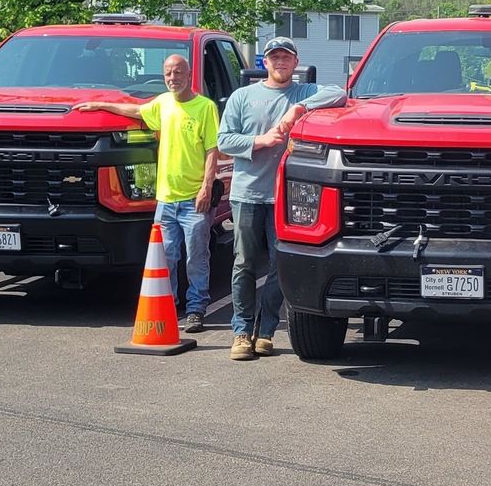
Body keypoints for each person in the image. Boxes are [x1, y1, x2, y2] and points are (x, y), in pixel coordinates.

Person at [73, 53, 224, 333]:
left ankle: (196, 309)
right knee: (165, 257)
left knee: (196, 257)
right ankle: (169, 306)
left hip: (194, 200)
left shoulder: (205, 107)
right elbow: (135, 111)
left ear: (189, 74)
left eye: (178, 72)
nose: (172, 78)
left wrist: (206, 187)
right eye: (168, 73)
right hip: (166, 200)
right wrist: (99, 105)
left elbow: (212, 150)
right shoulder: (162, 103)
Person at [217, 36, 344, 361]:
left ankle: (266, 331)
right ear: (265, 62)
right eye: (275, 57)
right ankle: (241, 331)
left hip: (285, 199)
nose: (280, 62)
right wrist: (260, 141)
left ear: (295, 62)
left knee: (280, 265)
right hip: (247, 194)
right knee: (244, 263)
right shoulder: (243, 96)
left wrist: (299, 109)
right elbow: (224, 141)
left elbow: (340, 93)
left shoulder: (304, 93)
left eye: (286, 57)